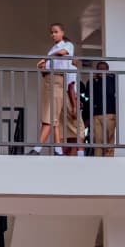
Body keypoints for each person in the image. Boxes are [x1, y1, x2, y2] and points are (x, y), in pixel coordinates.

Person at [34, 23, 75, 155]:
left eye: (56, 32)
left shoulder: (67, 45)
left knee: (50, 116)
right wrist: (42, 67)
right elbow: (44, 69)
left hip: (58, 80)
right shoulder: (51, 49)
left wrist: (47, 58)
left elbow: (62, 53)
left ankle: (37, 149)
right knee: (52, 116)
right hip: (48, 80)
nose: (53, 35)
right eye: (52, 32)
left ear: (62, 32)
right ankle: (58, 150)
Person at [83, 61, 117, 156]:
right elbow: (88, 96)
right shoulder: (92, 81)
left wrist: (103, 79)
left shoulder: (112, 79)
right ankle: (98, 160)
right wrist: (87, 116)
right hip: (95, 114)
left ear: (107, 70)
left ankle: (109, 160)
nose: (101, 71)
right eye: (99, 69)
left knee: (109, 140)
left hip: (109, 113)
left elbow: (110, 91)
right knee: (97, 141)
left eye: (103, 69)